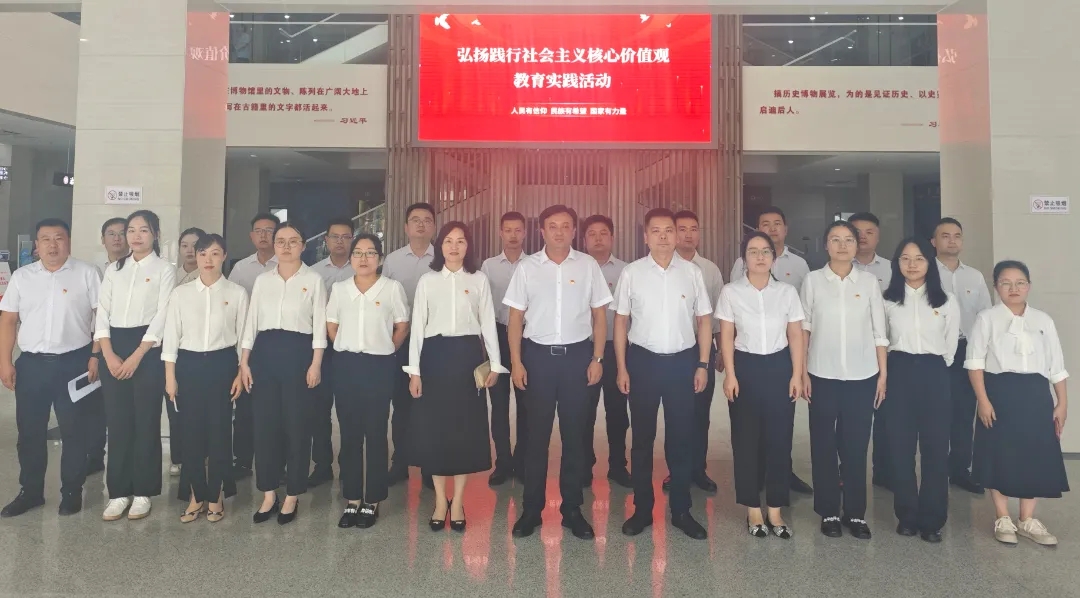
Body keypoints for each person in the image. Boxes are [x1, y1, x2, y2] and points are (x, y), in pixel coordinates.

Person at [504, 204, 612, 540]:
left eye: (566, 226)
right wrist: (517, 362)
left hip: (578, 358)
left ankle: (572, 510)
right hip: (537, 358)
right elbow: (515, 319)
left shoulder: (588, 265)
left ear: (574, 230)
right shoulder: (527, 268)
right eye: (553, 226)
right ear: (542, 231)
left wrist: (597, 358)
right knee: (535, 438)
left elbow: (599, 316)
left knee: (575, 437)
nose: (560, 232)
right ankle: (531, 510)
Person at [614, 208, 712, 540]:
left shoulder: (692, 273)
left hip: (683, 363)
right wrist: (622, 367)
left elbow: (704, 320)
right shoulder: (632, 272)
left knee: (681, 438)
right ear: (645, 236)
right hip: (643, 362)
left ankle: (681, 510)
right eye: (656, 231)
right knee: (642, 439)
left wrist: (702, 364)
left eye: (669, 230)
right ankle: (643, 509)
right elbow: (620, 322)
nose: (664, 237)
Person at [0, 219, 101, 518]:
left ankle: (72, 492)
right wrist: (5, 362)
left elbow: (103, 317)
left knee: (75, 431)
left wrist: (96, 355)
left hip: (75, 363)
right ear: (37, 245)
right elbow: (8, 320)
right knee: (29, 432)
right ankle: (31, 492)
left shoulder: (87, 273)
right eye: (46, 239)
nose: (53, 245)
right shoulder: (22, 276)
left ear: (69, 241)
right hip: (31, 365)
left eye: (59, 238)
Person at [406, 222, 503, 532]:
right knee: (435, 430)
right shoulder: (428, 280)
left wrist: (496, 364)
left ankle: (458, 500)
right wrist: (414, 371)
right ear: (440, 245)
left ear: (468, 246)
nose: (454, 246)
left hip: (467, 358)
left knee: (464, 430)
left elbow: (487, 323)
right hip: (434, 358)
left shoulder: (478, 279)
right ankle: (439, 500)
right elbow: (417, 326)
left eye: (461, 241)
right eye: (448, 240)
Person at [967, 260, 1069, 546]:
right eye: (1006, 283)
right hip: (999, 392)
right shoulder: (987, 318)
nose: (1013, 288)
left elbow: (1056, 365)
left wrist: (1062, 402)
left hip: (1036, 394)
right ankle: (1002, 517)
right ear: (996, 286)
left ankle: (1027, 519)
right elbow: (974, 363)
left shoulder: (1043, 320)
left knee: (1034, 453)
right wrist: (983, 401)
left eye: (1020, 282)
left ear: (1029, 286)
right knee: (999, 453)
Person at [801, 220, 888, 540]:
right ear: (826, 245)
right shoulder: (813, 281)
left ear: (856, 245)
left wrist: (882, 374)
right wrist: (801, 371)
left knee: (855, 446)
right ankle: (828, 511)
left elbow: (879, 331)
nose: (842, 245)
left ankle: (855, 513)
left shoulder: (868, 282)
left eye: (848, 240)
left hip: (862, 375)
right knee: (823, 445)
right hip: (821, 374)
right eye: (835, 239)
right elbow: (804, 328)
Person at [718, 231, 806, 539]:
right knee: (746, 440)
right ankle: (753, 509)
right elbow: (726, 335)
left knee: (779, 441)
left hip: (780, 368)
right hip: (745, 367)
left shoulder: (787, 293)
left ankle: (776, 510)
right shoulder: (731, 292)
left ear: (773, 257)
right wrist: (730, 374)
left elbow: (795, 335)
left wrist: (797, 374)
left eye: (765, 251)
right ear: (744, 258)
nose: (759, 256)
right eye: (753, 251)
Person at [240, 222, 327, 526]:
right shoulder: (263, 280)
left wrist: (316, 363)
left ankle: (292, 494)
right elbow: (251, 321)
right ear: (274, 246)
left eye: (293, 241)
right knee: (265, 426)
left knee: (297, 425)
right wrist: (244, 362)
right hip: (264, 353)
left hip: (299, 353)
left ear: (304, 245)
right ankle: (268, 493)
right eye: (280, 241)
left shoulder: (314, 280)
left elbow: (319, 325)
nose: (286, 247)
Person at [96, 210, 176, 521]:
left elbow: (163, 314)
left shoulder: (164, 270)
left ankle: (143, 491)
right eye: (131, 230)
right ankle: (118, 492)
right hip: (113, 347)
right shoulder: (114, 269)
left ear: (155, 234)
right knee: (117, 424)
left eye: (144, 230)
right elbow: (102, 313)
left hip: (148, 350)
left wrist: (137, 355)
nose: (136, 236)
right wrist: (108, 353)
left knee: (145, 422)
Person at [729, 206, 814, 496]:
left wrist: (798, 371)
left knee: (780, 430)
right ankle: (753, 491)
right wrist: (729, 367)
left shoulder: (794, 277)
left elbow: (798, 325)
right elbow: (731, 323)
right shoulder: (735, 282)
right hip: (747, 359)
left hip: (781, 359)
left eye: (777, 223)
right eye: (765, 224)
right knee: (747, 430)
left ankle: (780, 486)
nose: (760, 256)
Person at [162, 234, 247, 523]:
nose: (208, 260)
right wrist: (170, 377)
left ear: (224, 256)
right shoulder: (181, 294)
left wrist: (240, 372)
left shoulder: (237, 293)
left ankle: (216, 495)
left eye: (214, 253)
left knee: (220, 432)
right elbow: (171, 337)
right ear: (195, 257)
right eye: (202, 254)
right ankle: (196, 495)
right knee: (191, 434)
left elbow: (244, 338)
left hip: (223, 365)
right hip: (188, 365)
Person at [327, 234, 409, 529]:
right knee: (349, 433)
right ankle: (352, 498)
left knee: (375, 432)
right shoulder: (339, 289)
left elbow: (402, 325)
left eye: (370, 253)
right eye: (358, 253)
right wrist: (350, 348)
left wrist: (386, 348)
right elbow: (332, 326)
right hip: (346, 365)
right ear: (350, 258)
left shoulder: (392, 288)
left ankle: (372, 499)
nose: (364, 258)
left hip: (379, 366)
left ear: (380, 258)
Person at [881, 237, 959, 543]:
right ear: (897, 263)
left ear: (930, 263)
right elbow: (881, 339)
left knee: (935, 449)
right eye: (905, 258)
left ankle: (932, 519)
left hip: (934, 372)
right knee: (900, 448)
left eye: (919, 258)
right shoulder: (887, 299)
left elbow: (950, 346)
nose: (912, 264)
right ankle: (907, 516)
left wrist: (935, 367)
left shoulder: (946, 300)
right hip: (898, 371)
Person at [933, 217, 993, 495]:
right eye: (945, 236)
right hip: (935, 352)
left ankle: (959, 470)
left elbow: (985, 316)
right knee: (935, 412)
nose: (952, 240)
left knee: (963, 412)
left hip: (966, 351)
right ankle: (934, 469)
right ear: (934, 241)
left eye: (957, 235)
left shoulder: (975, 276)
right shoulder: (925, 272)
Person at [670, 210, 723, 493]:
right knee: (676, 414)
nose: (688, 234)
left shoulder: (710, 270)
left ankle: (698, 469)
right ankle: (675, 470)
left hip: (702, 348)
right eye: (682, 229)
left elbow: (719, 315)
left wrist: (720, 349)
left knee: (701, 412)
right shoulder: (664, 267)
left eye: (693, 229)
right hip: (673, 349)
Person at [383, 202, 435, 486]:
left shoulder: (442, 258)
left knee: (429, 405)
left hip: (433, 342)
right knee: (401, 403)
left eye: (427, 220)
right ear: (406, 227)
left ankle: (428, 464)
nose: (421, 224)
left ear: (434, 226)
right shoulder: (392, 261)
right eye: (415, 220)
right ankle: (400, 461)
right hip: (401, 340)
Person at [228, 212, 281, 480]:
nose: (263, 235)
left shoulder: (287, 266)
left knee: (275, 407)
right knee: (245, 407)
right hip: (245, 345)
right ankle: (242, 460)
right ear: (251, 236)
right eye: (258, 231)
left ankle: (275, 463)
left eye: (269, 230)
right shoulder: (240, 268)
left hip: (276, 345)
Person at [480, 211, 529, 486]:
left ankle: (521, 461)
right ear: (500, 233)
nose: (513, 235)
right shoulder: (488, 266)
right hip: (497, 336)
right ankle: (502, 461)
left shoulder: (533, 264)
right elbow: (483, 306)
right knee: (498, 404)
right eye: (508, 230)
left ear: (525, 233)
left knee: (526, 403)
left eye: (518, 230)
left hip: (526, 338)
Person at [581, 214, 630, 489]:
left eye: (603, 233)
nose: (598, 238)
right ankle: (583, 465)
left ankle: (618, 466)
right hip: (583, 348)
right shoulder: (576, 269)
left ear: (612, 238)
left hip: (617, 350)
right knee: (583, 411)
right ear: (584, 239)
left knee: (618, 411)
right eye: (592, 233)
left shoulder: (626, 271)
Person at [309, 216, 357, 489]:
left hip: (352, 349)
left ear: (352, 240)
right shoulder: (314, 273)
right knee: (319, 410)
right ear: (326, 240)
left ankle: (349, 465)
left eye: (346, 237)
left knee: (350, 410)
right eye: (335, 237)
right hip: (323, 351)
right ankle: (322, 465)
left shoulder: (363, 269)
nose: (340, 242)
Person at [848, 212, 893, 489]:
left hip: (887, 351)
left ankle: (883, 471)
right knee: (852, 418)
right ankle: (847, 472)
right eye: (857, 232)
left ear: (878, 236)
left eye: (869, 231)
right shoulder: (838, 268)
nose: (863, 237)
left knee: (886, 415)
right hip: (852, 352)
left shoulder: (892, 269)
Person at [160, 226, 207, 479]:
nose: (190, 250)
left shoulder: (209, 276)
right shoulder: (170, 276)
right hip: (172, 350)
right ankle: (177, 457)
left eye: (195, 246)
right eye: (184, 245)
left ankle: (201, 454)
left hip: (200, 350)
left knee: (201, 409)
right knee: (175, 407)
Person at [729, 207, 811, 290]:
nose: (772, 229)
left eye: (777, 224)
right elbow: (734, 292)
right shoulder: (742, 263)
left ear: (785, 230)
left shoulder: (800, 264)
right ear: (757, 231)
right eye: (766, 225)